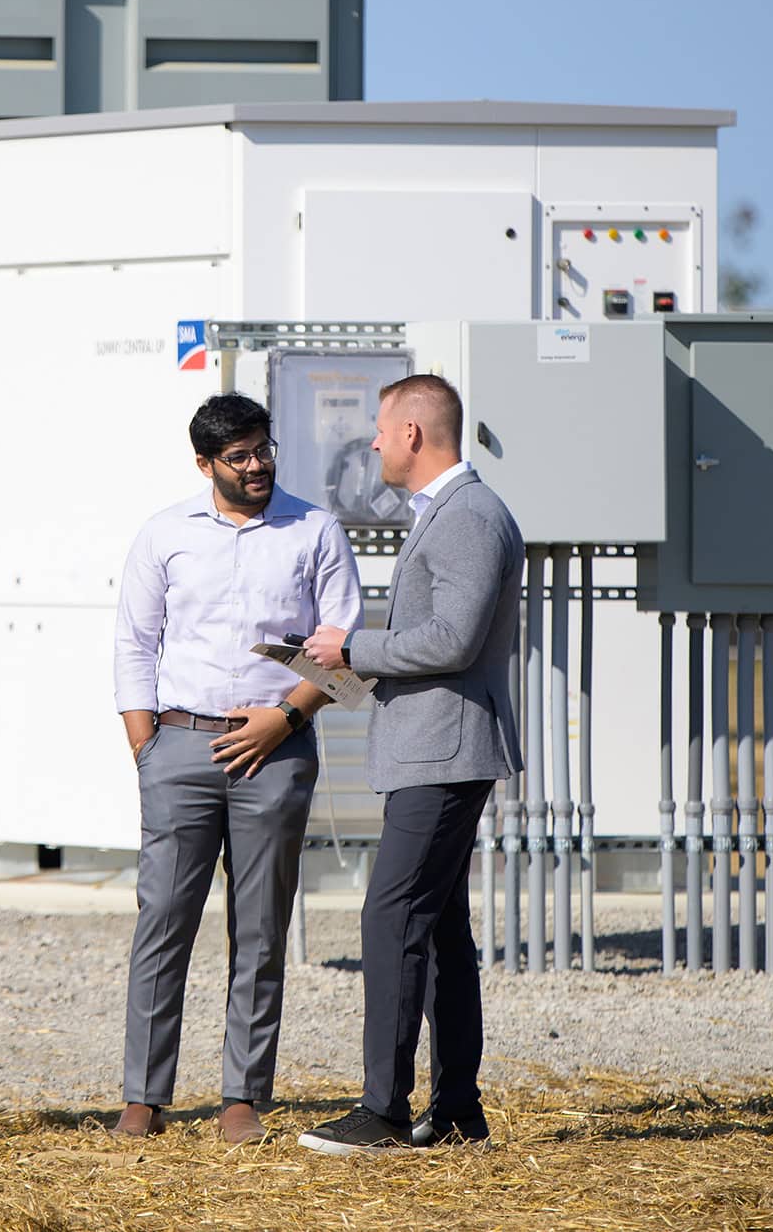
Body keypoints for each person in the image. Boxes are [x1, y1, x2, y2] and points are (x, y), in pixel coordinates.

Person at [109, 393, 361, 1145]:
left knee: (260, 927)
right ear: (205, 463)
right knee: (163, 921)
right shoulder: (165, 534)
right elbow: (133, 644)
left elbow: (343, 653)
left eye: (263, 449)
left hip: (277, 745)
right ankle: (144, 1096)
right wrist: (147, 746)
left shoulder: (315, 529)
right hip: (181, 746)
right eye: (239, 456)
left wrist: (285, 718)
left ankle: (242, 1095)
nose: (256, 466)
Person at [295, 375, 521, 1156]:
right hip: (436, 748)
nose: (374, 445)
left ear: (415, 434)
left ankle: (383, 1112)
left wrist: (352, 650)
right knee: (439, 928)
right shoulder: (455, 513)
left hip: (445, 751)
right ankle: (457, 1109)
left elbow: (452, 639)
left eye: (382, 432)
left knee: (390, 917)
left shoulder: (468, 515)